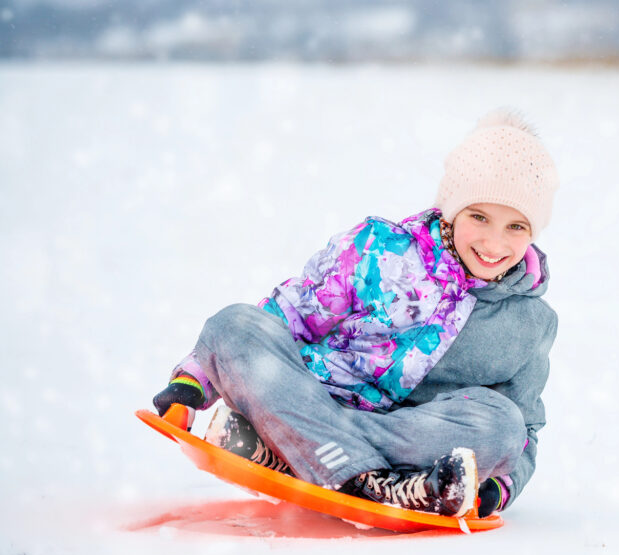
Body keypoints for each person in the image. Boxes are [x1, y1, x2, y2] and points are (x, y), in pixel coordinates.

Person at [152, 109, 559, 519]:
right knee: (233, 324)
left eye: (516, 227)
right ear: (452, 210)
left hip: (403, 432)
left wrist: (497, 491)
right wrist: (195, 381)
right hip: (306, 395)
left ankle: (294, 451)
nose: (495, 241)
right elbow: (291, 314)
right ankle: (377, 482)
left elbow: (524, 430)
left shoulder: (530, 322)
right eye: (479, 216)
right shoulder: (380, 250)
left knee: (502, 425)